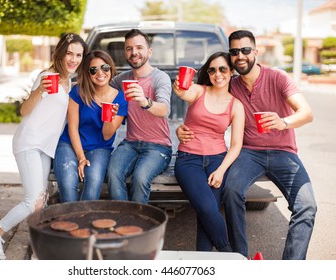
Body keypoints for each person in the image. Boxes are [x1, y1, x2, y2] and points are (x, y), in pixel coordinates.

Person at [177, 30, 317, 260]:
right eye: (234, 51)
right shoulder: (230, 83)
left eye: (245, 50)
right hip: (249, 153)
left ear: (255, 52)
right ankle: (240, 258)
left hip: (284, 152)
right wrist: (180, 128)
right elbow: (201, 99)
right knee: (232, 191)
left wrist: (283, 122)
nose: (240, 55)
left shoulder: (277, 77)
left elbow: (306, 113)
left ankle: (291, 268)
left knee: (307, 206)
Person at [0, 33, 88, 260]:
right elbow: (24, 111)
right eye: (69, 53)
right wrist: (39, 90)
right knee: (32, 199)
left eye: (78, 55)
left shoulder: (68, 80)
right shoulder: (46, 75)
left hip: (44, 147)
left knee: (40, 201)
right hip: (29, 142)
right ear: (60, 52)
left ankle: (39, 247)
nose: (74, 59)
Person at [173, 52, 245, 252]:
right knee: (206, 209)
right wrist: (178, 87)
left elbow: (236, 144)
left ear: (231, 72)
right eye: (212, 70)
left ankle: (204, 264)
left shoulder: (236, 105)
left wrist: (221, 170)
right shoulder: (198, 91)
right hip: (189, 159)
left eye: (223, 69)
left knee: (206, 214)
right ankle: (230, 255)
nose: (217, 74)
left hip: (217, 161)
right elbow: (183, 92)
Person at [107, 29, 172, 204]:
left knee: (140, 178)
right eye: (129, 48)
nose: (134, 52)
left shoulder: (160, 78)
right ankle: (123, 222)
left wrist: (144, 101)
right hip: (130, 143)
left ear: (149, 52)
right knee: (112, 174)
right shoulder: (121, 80)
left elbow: (164, 109)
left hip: (158, 147)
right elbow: (99, 88)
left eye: (139, 47)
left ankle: (138, 225)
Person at [53, 50, 127, 202]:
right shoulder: (78, 92)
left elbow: (107, 135)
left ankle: (82, 222)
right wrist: (81, 158)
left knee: (93, 183)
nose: (100, 73)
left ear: (111, 69)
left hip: (100, 147)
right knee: (68, 184)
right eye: (93, 70)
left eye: (104, 68)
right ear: (88, 73)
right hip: (70, 144)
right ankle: (71, 222)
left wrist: (109, 117)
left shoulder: (121, 99)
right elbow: (72, 127)